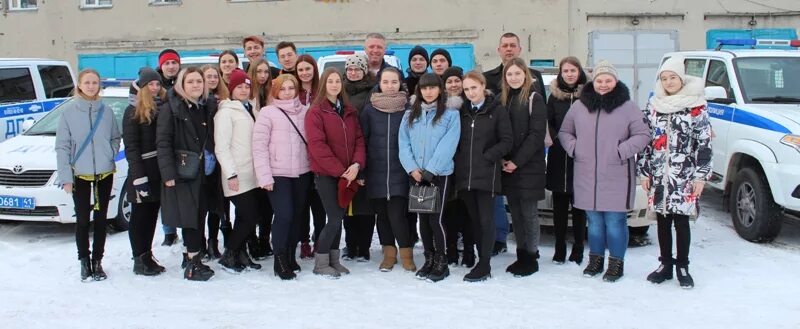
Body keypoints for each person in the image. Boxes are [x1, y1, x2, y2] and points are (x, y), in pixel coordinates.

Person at [557, 60, 650, 283]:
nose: (603, 84)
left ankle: (616, 262)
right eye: (599, 80)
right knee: (595, 222)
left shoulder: (628, 107)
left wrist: (622, 150)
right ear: (593, 81)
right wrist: (575, 148)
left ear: (615, 81)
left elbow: (643, 134)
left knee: (615, 222)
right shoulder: (580, 106)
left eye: (608, 80)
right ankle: (595, 259)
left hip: (616, 173)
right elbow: (565, 132)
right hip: (586, 173)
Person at [639, 55, 712, 289]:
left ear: (681, 79)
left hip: (685, 175)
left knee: (681, 222)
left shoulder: (696, 106)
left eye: (673, 78)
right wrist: (644, 171)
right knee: (662, 220)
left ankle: (682, 266)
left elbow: (705, 142)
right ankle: (665, 265)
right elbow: (646, 141)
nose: (669, 82)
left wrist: (701, 175)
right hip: (660, 175)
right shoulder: (654, 106)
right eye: (664, 78)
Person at [56, 69, 121, 282]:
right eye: (87, 82)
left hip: (104, 173)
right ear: (80, 85)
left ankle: (98, 261)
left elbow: (115, 137)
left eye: (95, 82)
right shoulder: (68, 113)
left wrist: (110, 153)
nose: (91, 86)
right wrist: (66, 177)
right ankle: (84, 260)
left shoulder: (107, 112)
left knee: (101, 220)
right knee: (83, 219)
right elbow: (62, 147)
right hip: (80, 175)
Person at [156, 67, 217, 281]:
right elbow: (163, 143)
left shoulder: (206, 106)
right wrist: (168, 174)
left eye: (199, 81)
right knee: (190, 218)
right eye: (190, 82)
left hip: (203, 172)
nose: (195, 85)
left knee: (200, 215)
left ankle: (189, 255)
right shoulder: (171, 108)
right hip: (183, 171)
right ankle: (193, 264)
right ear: (181, 84)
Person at [399, 73, 461, 282]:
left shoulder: (451, 115)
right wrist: (412, 168)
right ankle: (429, 258)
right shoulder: (410, 115)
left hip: (438, 174)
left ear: (440, 89)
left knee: (436, 219)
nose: (428, 92)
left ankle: (441, 261)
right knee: (422, 219)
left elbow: (449, 144)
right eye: (424, 88)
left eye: (433, 88)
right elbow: (403, 143)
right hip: (416, 174)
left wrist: (431, 170)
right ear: (419, 91)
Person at [305, 68, 366, 278]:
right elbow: (317, 146)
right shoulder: (316, 112)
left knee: (338, 217)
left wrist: (357, 164)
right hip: (327, 175)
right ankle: (321, 261)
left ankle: (334, 260)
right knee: (333, 218)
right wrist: (341, 171)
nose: (334, 85)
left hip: (348, 174)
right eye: (329, 81)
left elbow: (359, 140)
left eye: (337, 81)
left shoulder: (348, 111)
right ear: (323, 84)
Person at [454, 70, 513, 282]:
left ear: (482, 86)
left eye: (474, 88)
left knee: (487, 220)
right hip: (465, 175)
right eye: (466, 89)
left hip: (487, 174)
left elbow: (507, 140)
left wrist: (488, 156)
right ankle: (480, 259)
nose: (470, 93)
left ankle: (485, 264)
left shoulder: (496, 110)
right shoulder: (461, 112)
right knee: (475, 221)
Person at [252, 73, 312, 280]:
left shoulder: (306, 112)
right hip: (278, 174)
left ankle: (289, 254)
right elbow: (259, 147)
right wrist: (264, 176)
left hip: (302, 172)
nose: (287, 93)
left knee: (297, 216)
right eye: (282, 89)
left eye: (291, 88)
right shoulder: (268, 113)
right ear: (275, 91)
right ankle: (279, 259)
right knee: (284, 215)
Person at [359, 67, 412, 272]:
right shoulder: (370, 110)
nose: (390, 86)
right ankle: (389, 254)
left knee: (398, 215)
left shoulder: (408, 109)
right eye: (386, 82)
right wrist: (362, 171)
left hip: (401, 171)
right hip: (376, 171)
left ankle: (406, 252)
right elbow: (362, 140)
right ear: (379, 84)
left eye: (394, 82)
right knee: (381, 216)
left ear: (400, 83)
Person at [213, 69, 266, 274]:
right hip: (236, 174)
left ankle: (241, 254)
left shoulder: (249, 108)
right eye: (239, 87)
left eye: (246, 86)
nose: (244, 90)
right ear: (231, 89)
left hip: (252, 174)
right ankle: (230, 253)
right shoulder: (226, 112)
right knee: (250, 216)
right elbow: (222, 147)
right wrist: (230, 174)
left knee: (247, 217)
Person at [499, 58, 548, 277]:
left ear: (525, 75)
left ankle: (531, 256)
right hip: (508, 166)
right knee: (515, 213)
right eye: (510, 74)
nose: (514, 78)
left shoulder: (534, 98)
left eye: (518, 73)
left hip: (528, 166)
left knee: (529, 213)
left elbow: (536, 135)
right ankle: (521, 254)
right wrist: (503, 160)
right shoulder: (504, 99)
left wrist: (517, 161)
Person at [123, 68, 168, 276]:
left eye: (158, 84)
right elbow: (131, 148)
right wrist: (139, 178)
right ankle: (139, 258)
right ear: (142, 87)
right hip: (142, 171)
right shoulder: (132, 111)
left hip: (158, 169)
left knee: (151, 216)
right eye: (150, 84)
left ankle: (147, 255)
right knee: (140, 216)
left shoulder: (160, 108)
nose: (155, 88)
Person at [546, 56, 588, 265]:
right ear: (560, 74)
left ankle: (578, 247)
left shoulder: (588, 96)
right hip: (558, 156)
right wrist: (558, 139)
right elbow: (548, 122)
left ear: (579, 72)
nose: (570, 74)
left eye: (573, 70)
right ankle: (559, 247)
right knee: (559, 207)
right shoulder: (554, 97)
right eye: (566, 71)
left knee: (579, 207)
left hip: (581, 157)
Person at [342, 53, 376, 262]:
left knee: (365, 206)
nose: (353, 72)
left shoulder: (371, 92)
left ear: (364, 70)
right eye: (350, 69)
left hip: (365, 152)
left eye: (357, 68)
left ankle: (364, 246)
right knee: (347, 205)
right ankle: (350, 245)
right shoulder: (341, 91)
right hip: (345, 154)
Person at [439, 66, 474, 267]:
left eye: (456, 81)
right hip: (446, 165)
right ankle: (451, 249)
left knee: (468, 211)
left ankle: (469, 250)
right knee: (449, 210)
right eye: (449, 81)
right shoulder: (440, 105)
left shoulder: (470, 104)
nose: (453, 84)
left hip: (468, 164)